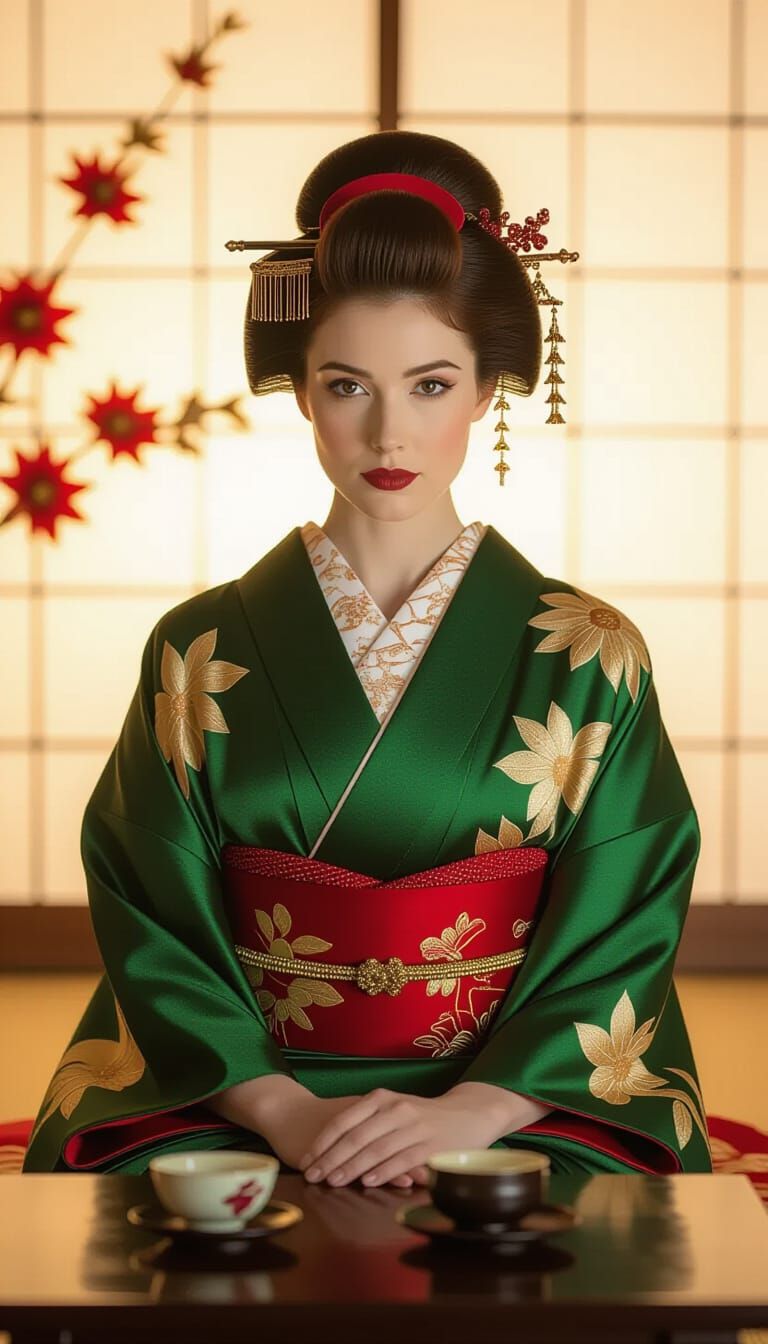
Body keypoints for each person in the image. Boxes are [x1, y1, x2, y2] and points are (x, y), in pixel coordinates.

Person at [22, 130, 712, 1182]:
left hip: (516, 1098)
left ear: (489, 389)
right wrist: (285, 1113)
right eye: (347, 386)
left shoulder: (589, 651)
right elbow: (146, 896)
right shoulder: (196, 648)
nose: (388, 431)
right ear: (300, 390)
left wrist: (472, 1110)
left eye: (431, 386)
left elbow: (626, 906)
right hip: (237, 1093)